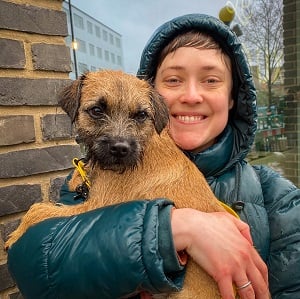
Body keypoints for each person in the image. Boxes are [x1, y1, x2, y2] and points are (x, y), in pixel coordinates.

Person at [7, 14, 300, 299]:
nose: (191, 95)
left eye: (211, 80)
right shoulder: (89, 177)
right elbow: (34, 268)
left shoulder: (281, 200)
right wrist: (174, 228)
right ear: (156, 96)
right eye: (173, 80)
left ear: (234, 97)